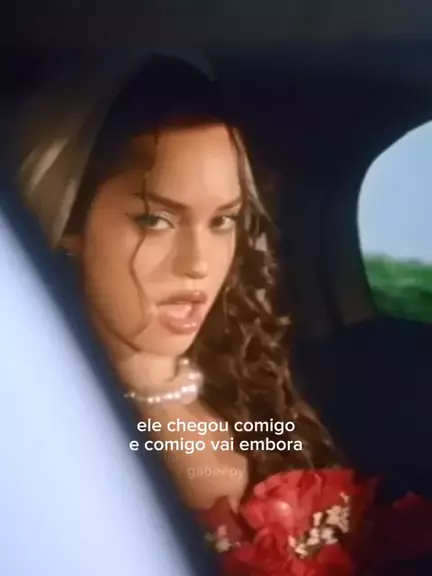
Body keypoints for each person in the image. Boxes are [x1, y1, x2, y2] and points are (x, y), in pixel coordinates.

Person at [17, 54, 432, 575]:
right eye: (156, 219)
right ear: (71, 224)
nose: (197, 264)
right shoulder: (42, 434)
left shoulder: (248, 380)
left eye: (223, 221)